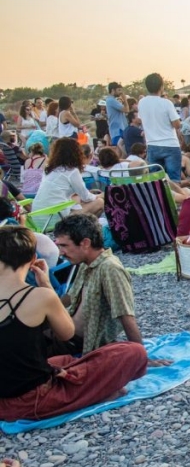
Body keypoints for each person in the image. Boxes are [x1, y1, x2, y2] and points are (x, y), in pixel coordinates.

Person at [0, 224, 149, 422]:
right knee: (133, 352)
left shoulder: (98, 267)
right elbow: (67, 333)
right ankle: (96, 394)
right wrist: (45, 284)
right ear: (33, 260)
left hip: (4, 398)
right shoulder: (40, 296)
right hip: (32, 400)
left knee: (65, 361)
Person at [51, 215, 168, 367]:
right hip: (65, 335)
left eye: (64, 246)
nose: (61, 252)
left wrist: (141, 358)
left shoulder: (110, 269)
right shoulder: (86, 263)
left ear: (85, 243)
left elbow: (126, 316)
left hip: (76, 344)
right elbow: (70, 297)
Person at [33, 137, 105, 219]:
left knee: (77, 199)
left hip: (37, 217)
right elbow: (86, 197)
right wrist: (100, 195)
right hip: (55, 217)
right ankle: (85, 230)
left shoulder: (50, 169)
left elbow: (57, 192)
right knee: (99, 202)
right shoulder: (72, 171)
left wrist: (88, 193)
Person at [137, 74, 185, 182]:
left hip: (152, 145)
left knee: (156, 181)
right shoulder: (166, 103)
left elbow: (141, 119)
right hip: (170, 144)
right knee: (174, 179)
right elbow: (177, 125)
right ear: (161, 87)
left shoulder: (142, 102)